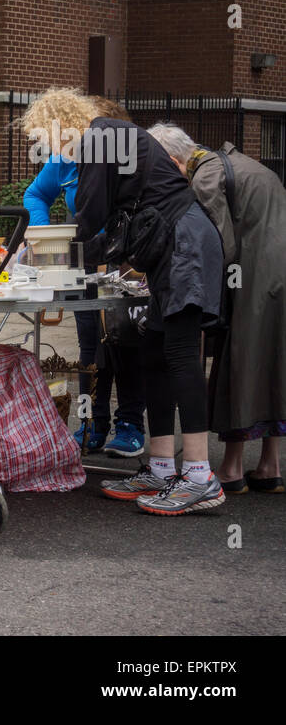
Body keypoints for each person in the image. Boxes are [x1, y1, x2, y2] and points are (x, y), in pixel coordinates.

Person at [23, 87, 225, 515]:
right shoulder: (108, 140)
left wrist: (48, 255)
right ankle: (160, 466)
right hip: (173, 245)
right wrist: (69, 254)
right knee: (154, 351)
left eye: (50, 139)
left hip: (183, 247)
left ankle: (199, 477)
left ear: (61, 126)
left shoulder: (99, 139)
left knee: (181, 356)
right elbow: (109, 225)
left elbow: (91, 217)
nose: (56, 153)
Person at [147, 122, 285, 495]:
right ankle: (270, 465)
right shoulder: (242, 163)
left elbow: (215, 245)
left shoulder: (206, 179)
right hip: (275, 277)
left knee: (235, 363)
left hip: (250, 279)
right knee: (273, 364)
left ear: (175, 161)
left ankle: (231, 467)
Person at [23, 96, 146, 459]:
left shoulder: (123, 156)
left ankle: (129, 425)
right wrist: (44, 236)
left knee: (124, 344)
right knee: (91, 346)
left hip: (127, 261)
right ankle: (91, 423)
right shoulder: (64, 159)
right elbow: (35, 194)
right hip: (86, 261)